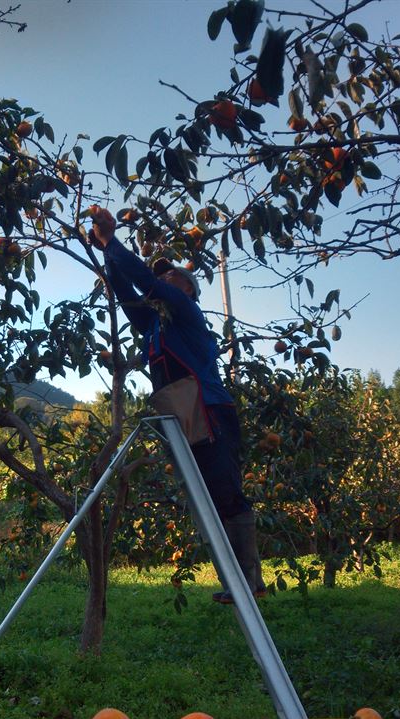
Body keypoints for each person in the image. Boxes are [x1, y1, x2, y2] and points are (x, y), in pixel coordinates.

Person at [88, 207, 267, 604]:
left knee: (225, 492)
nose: (165, 276)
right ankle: (236, 580)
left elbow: (144, 281)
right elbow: (125, 292)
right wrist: (104, 252)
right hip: (183, 418)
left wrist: (111, 241)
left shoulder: (186, 312)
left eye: (172, 275)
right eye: (164, 273)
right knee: (204, 498)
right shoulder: (155, 326)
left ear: (186, 287)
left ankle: (250, 581)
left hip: (211, 413)